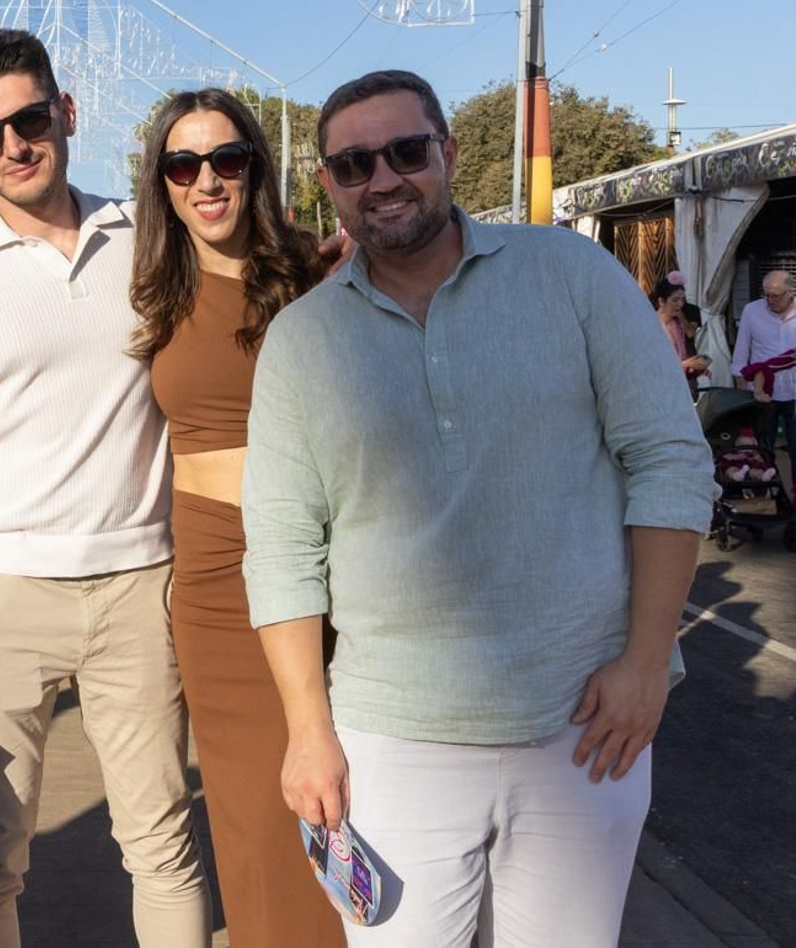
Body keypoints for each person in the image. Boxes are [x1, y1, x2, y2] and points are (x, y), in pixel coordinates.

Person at [242, 69, 716, 946]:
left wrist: (648, 661)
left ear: (449, 154)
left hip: (583, 727)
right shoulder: (301, 342)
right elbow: (279, 546)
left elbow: (671, 461)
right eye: (353, 163)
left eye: (406, 151)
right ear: (329, 186)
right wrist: (309, 730)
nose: (382, 178)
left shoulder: (573, 276)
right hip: (389, 740)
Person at [0, 28, 211, 948]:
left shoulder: (153, 236)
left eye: (27, 119)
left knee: (163, 841)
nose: (12, 146)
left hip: (141, 584)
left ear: (65, 113)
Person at [130, 89, 344, 947]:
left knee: (351, 802)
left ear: (255, 166)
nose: (207, 179)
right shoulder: (149, 290)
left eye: (227, 159)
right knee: (258, 823)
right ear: (164, 183)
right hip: (216, 589)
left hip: (329, 569)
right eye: (184, 164)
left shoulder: (317, 274)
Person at [731, 268, 796, 466]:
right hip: (761, 395)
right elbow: (741, 354)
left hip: (794, 393)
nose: (770, 300)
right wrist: (743, 397)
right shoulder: (752, 310)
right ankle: (767, 495)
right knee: (762, 453)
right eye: (766, 295)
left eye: (775, 296)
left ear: (791, 291)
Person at [650, 271, 709, 388]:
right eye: (675, 300)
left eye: (682, 300)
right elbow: (655, 364)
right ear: (661, 301)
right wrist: (687, 364)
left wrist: (696, 368)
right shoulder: (651, 325)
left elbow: (684, 352)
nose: (681, 304)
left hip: (680, 381)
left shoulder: (678, 324)